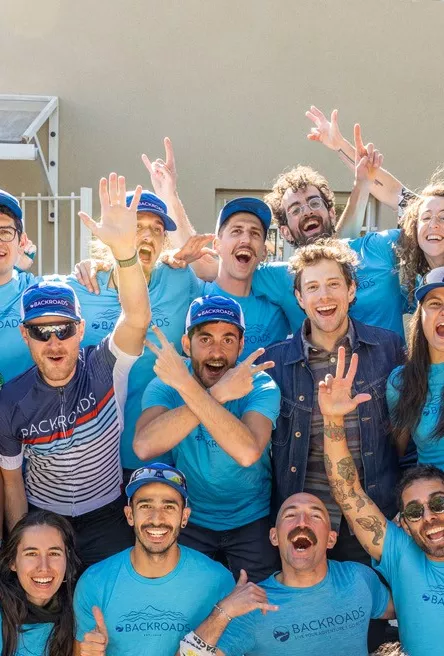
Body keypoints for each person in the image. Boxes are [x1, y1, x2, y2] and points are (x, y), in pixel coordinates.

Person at [0, 174, 150, 567]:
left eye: (64, 329)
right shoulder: (11, 400)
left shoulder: (104, 366)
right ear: (25, 336)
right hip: (44, 517)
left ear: (80, 330)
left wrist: (124, 252)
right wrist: (23, 545)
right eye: (41, 332)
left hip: (107, 514)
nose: (54, 342)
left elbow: (136, 317)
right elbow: (12, 482)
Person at [134, 295, 281, 582]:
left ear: (241, 345)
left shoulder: (258, 383)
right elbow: (144, 446)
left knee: (259, 606)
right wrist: (217, 395)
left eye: (228, 339)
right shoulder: (167, 383)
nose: (216, 352)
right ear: (187, 345)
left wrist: (191, 388)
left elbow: (247, 452)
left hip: (251, 516)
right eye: (205, 339)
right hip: (192, 517)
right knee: (189, 602)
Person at [260, 239, 404, 526]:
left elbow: (406, 437)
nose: (323, 296)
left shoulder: (389, 348)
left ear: (351, 290)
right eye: (312, 287)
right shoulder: (274, 364)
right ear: (299, 298)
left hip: (374, 514)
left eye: (333, 284)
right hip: (303, 523)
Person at [320, 346, 444, 656]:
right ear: (402, 523)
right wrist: (333, 419)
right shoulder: (400, 555)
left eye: (439, 503)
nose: (429, 516)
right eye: (415, 511)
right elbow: (347, 492)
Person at [180, 492, 393, 656]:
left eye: (315, 515)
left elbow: (406, 611)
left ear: (331, 539)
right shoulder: (253, 606)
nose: (302, 522)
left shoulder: (358, 579)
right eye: (290, 515)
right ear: (274, 537)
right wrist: (223, 611)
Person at [74, 463, 235, 656]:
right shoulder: (94, 582)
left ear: (184, 517)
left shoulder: (218, 581)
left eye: (168, 506)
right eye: (146, 506)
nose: (156, 519)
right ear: (129, 515)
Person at [0, 510, 80, 656]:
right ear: (12, 562)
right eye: (31, 554)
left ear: (67, 560)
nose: (44, 567)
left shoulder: (79, 609)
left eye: (54, 553)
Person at [387, 266, 444, 468]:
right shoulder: (400, 382)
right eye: (435, 303)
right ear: (420, 315)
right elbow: (396, 454)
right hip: (431, 496)